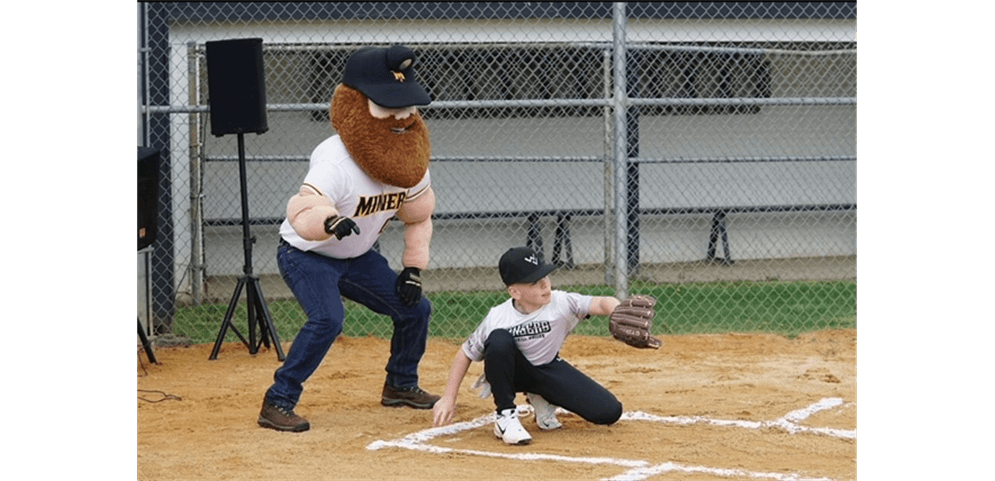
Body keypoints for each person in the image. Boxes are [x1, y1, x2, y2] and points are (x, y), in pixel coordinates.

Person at [258, 45, 440, 432]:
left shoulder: (409, 157)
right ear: (355, 104)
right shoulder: (335, 158)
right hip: (308, 254)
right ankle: (278, 401)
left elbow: (419, 216)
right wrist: (328, 222)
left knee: (415, 308)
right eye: (388, 107)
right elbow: (303, 206)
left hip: (357, 257)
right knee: (327, 319)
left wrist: (412, 268)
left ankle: (400, 385)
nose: (401, 117)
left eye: (406, 107)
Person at [432, 246, 626, 445]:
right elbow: (465, 353)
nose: (545, 285)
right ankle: (505, 416)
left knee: (609, 411)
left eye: (545, 277)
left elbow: (602, 302)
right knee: (499, 339)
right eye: (535, 282)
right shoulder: (498, 317)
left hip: (547, 369)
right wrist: (449, 397)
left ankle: (540, 396)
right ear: (514, 291)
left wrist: (618, 311)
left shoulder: (561, 302)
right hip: (510, 373)